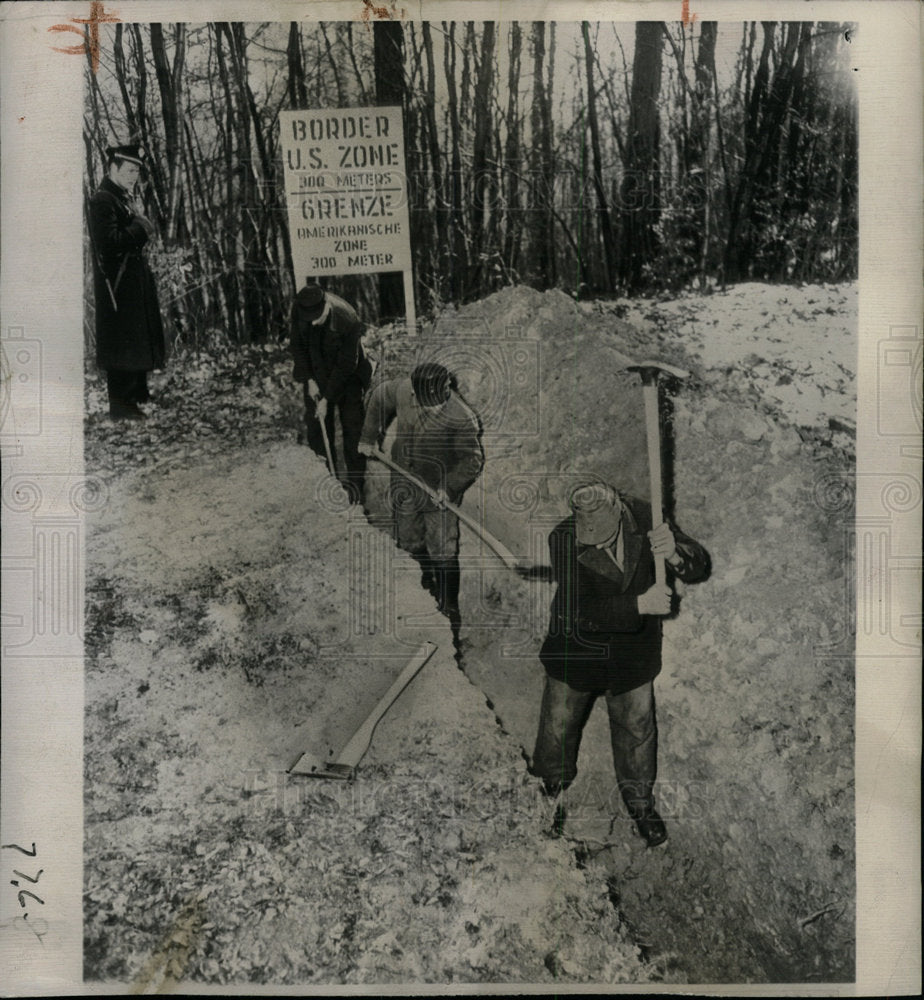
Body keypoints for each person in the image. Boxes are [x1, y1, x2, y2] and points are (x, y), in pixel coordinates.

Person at [531, 480, 708, 847]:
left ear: (619, 510)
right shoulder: (563, 538)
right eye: (587, 535)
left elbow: (698, 566)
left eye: (602, 535)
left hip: (632, 654)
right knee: (558, 724)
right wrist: (639, 605)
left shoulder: (647, 516)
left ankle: (639, 801)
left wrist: (675, 553)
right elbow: (580, 611)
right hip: (577, 648)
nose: (593, 542)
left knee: (637, 728)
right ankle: (547, 788)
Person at [358, 362, 484, 624]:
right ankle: (423, 583)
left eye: (438, 404)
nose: (433, 409)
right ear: (415, 394)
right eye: (428, 405)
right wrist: (369, 436)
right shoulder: (405, 390)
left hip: (439, 489)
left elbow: (471, 461)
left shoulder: (462, 418)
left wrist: (448, 488)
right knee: (409, 538)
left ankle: (449, 608)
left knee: (443, 548)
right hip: (404, 476)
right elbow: (381, 395)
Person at [88, 143, 165, 421]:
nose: (134, 176)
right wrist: (140, 229)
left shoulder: (119, 196)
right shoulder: (102, 200)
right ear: (113, 168)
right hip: (117, 284)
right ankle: (121, 405)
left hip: (131, 281)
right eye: (130, 170)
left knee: (135, 337)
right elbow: (109, 244)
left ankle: (137, 393)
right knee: (122, 341)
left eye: (136, 171)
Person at [290, 281, 372, 504]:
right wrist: (308, 380)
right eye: (309, 319)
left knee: (353, 429)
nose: (313, 322)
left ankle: (356, 491)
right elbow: (297, 347)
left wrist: (327, 398)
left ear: (326, 306)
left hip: (349, 377)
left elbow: (347, 364)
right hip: (315, 373)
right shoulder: (299, 309)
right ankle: (327, 481)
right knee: (317, 429)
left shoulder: (347, 317)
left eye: (317, 317)